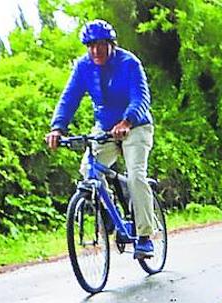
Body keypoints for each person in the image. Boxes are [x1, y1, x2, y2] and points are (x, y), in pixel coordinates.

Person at [47, 19, 157, 259]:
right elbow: (69, 98)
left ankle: (145, 236)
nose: (95, 50)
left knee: (137, 176)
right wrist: (57, 128)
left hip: (135, 126)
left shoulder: (129, 63)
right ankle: (109, 215)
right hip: (105, 128)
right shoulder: (83, 67)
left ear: (111, 44)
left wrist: (127, 121)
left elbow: (141, 97)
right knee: (89, 170)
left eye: (100, 45)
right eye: (90, 46)